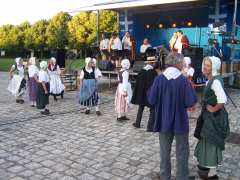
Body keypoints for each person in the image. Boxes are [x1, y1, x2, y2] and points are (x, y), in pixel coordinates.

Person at [148, 52, 197, 180]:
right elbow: (190, 101)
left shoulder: (159, 79)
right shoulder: (183, 81)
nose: (184, 65)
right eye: (182, 63)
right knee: (182, 150)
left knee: (164, 150)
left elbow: (151, 100)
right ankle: (182, 176)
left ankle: (165, 175)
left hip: (163, 120)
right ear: (178, 63)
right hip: (180, 120)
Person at [194, 56, 229, 180]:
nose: (205, 67)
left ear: (213, 67)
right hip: (209, 116)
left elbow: (223, 100)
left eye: (208, 65)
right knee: (206, 139)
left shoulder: (215, 81)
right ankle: (205, 165)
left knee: (212, 141)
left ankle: (212, 173)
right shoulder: (211, 79)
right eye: (204, 64)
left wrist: (213, 109)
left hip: (215, 117)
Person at [131, 57, 158, 131]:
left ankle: (137, 123)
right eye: (154, 62)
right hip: (150, 94)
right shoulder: (153, 72)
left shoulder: (141, 71)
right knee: (152, 108)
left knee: (141, 108)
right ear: (152, 63)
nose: (155, 64)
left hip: (141, 94)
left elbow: (138, 84)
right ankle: (150, 127)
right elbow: (155, 84)